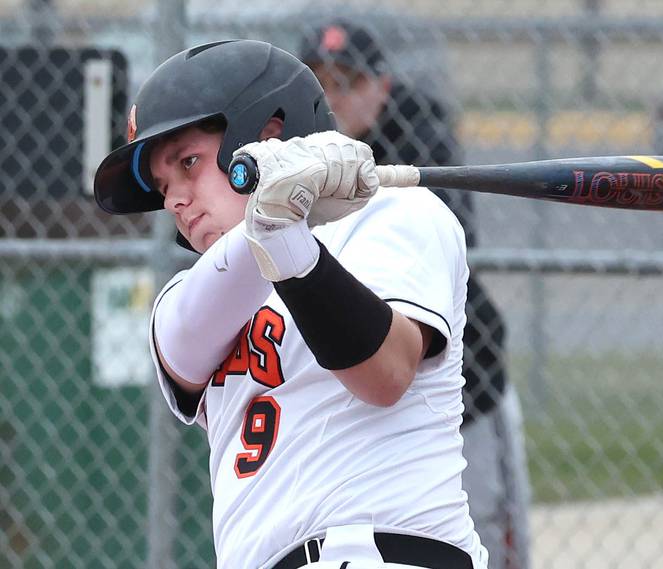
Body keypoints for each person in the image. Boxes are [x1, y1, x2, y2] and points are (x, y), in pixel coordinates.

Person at [94, 40, 488, 569]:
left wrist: (288, 232)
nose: (175, 201)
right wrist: (277, 223)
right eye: (164, 186)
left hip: (387, 552)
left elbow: (385, 374)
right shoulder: (182, 301)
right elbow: (188, 340)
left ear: (268, 134)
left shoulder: (397, 213)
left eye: (189, 164)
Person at [298, 21, 532, 569]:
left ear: (381, 87)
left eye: (347, 83)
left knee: (487, 528)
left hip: (460, 385)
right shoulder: (281, 151)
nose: (332, 100)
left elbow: (447, 243)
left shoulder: (420, 134)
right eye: (319, 84)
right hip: (348, 394)